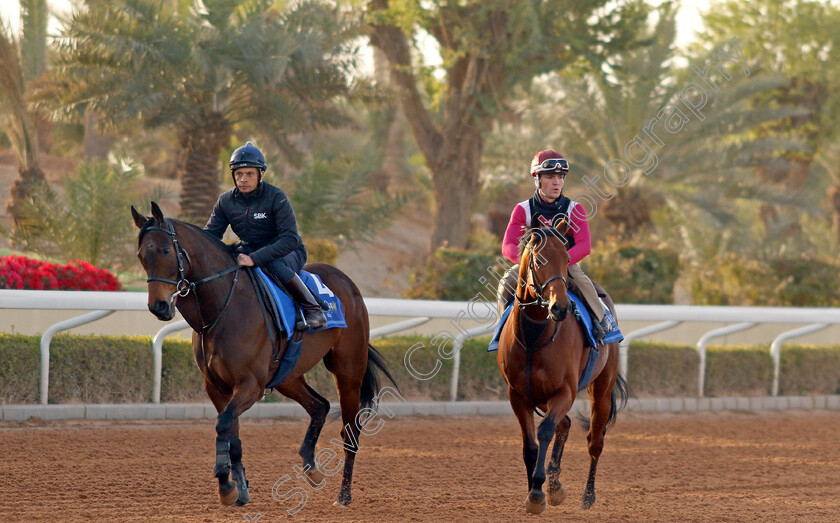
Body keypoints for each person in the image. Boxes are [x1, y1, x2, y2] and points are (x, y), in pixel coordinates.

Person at [204, 141, 327, 330]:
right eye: (238, 174)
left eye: (249, 174)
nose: (243, 179)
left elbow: (290, 239)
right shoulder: (225, 201)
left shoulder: (276, 196)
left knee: (272, 263)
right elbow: (211, 237)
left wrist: (255, 258)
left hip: (287, 251)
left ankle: (313, 310)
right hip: (249, 248)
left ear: (261, 174)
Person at [498, 149, 612, 342]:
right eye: (550, 177)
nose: (557, 182)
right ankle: (502, 331)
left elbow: (584, 245)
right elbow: (508, 245)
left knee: (583, 282)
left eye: (560, 177)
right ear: (537, 179)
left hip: (564, 264)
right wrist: (528, 262)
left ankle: (602, 322)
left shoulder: (575, 209)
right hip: (532, 265)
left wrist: (558, 262)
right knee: (505, 283)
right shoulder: (521, 209)